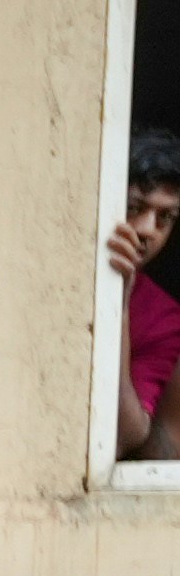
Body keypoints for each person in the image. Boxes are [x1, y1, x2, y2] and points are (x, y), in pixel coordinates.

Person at [112, 136, 179, 469]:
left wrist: (118, 309)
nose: (148, 230)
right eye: (134, 207)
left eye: (165, 217)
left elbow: (124, 436)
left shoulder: (164, 316)